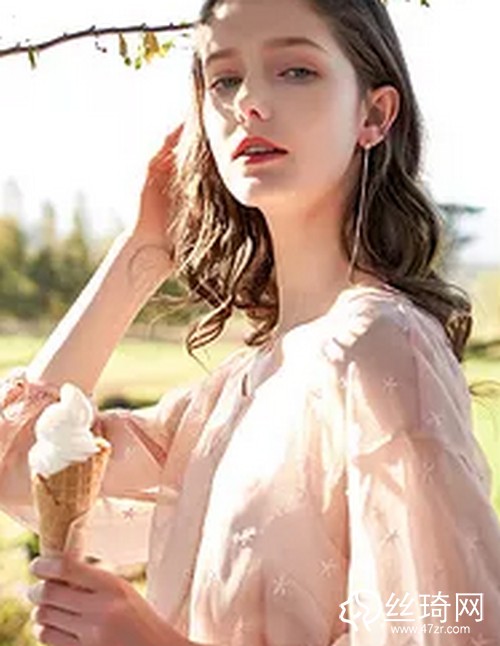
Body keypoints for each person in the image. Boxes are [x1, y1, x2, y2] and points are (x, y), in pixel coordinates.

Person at [1, 0, 499, 644]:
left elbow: (454, 625)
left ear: (374, 114)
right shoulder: (232, 393)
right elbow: (18, 463)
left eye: (296, 71)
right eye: (225, 79)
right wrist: (143, 249)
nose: (250, 104)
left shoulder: (378, 344)